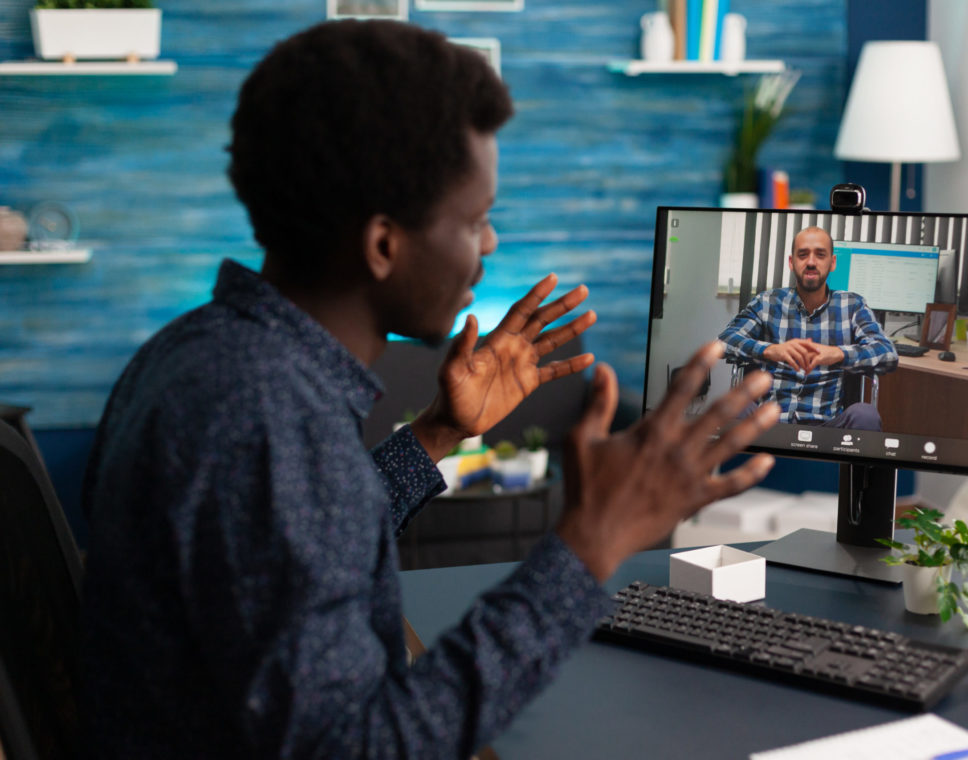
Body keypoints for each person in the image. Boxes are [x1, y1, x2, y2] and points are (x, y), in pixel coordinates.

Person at [78, 20, 781, 759]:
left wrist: (438, 432)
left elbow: (294, 552)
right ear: (384, 245)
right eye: (475, 220)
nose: (489, 246)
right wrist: (589, 542)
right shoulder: (266, 419)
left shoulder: (200, 351)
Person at [718, 226, 897, 430]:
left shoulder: (852, 305)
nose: (811, 262)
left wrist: (838, 354)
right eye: (803, 255)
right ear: (791, 262)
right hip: (768, 422)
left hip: (828, 426)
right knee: (734, 406)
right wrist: (769, 350)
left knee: (865, 415)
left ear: (832, 262)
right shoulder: (767, 302)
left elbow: (887, 354)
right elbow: (723, 342)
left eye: (820, 255)